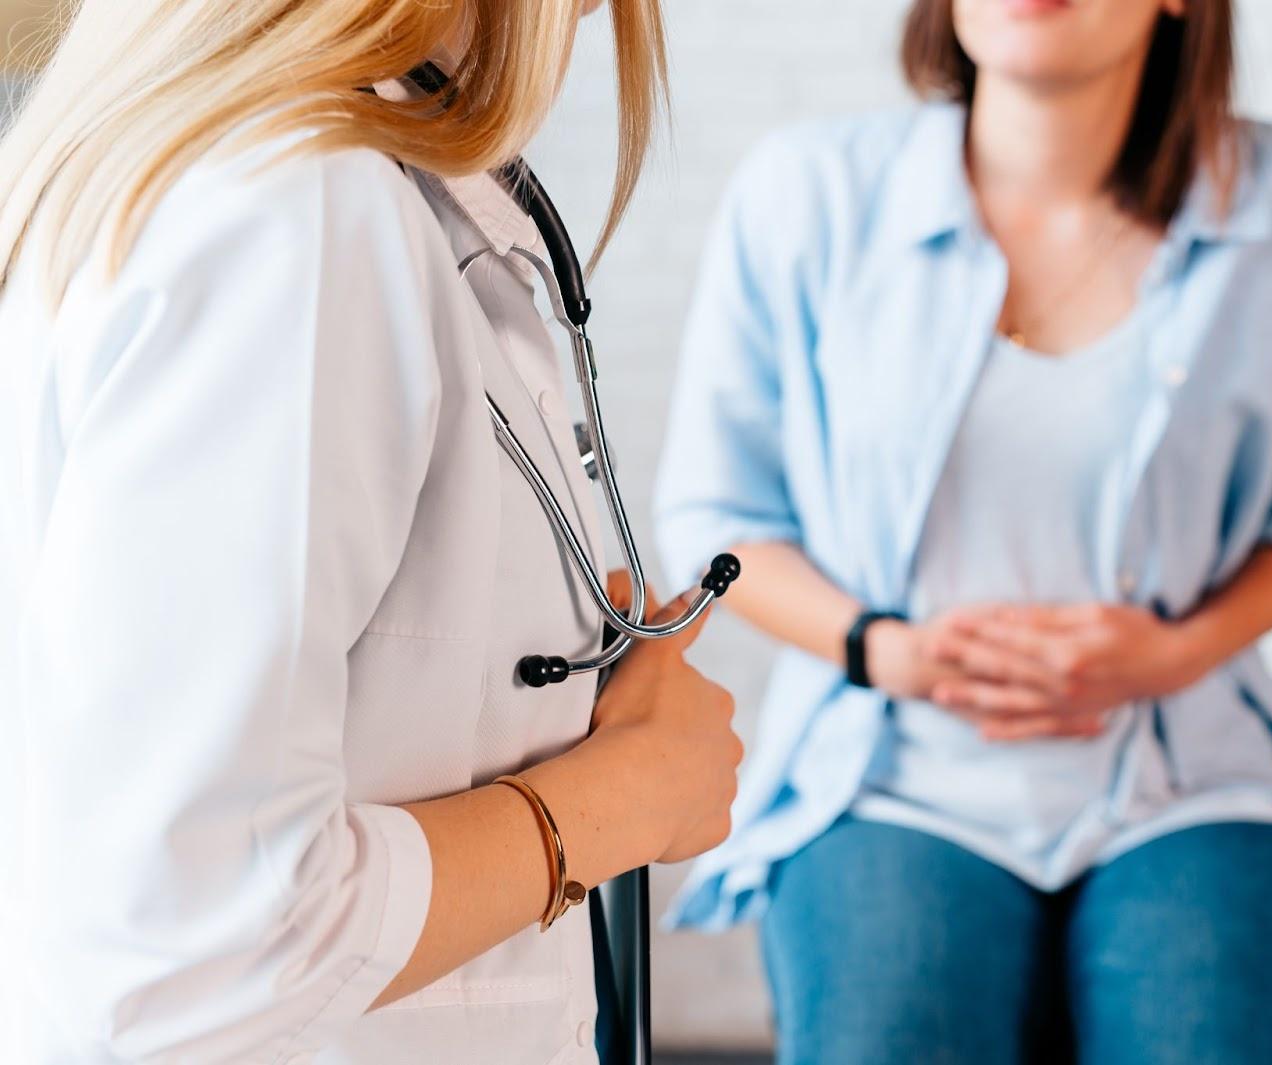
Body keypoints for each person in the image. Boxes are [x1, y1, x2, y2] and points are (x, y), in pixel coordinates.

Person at [0, 0, 742, 1061]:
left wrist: (586, 699)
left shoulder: (287, 179)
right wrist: (628, 794)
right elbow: (195, 947)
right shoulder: (296, 209)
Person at [654, 0, 1272, 1062]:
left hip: (1191, 778)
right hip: (889, 778)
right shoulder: (805, 192)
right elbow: (716, 520)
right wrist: (885, 650)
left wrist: (1173, 652)